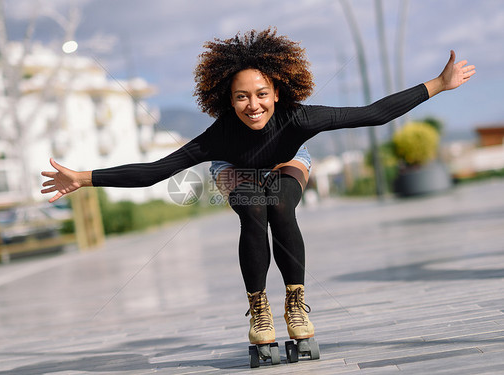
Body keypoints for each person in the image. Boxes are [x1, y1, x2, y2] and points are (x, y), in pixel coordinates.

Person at [41, 28, 475, 347]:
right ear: (227, 101)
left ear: (277, 90)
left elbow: (373, 114)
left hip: (289, 161)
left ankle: (294, 302)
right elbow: (156, 171)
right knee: (254, 209)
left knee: (281, 207)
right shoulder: (220, 136)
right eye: (242, 97)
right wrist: (83, 177)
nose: (254, 105)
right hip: (234, 165)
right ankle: (260, 309)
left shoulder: (299, 118)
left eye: (262, 93)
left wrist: (438, 84)